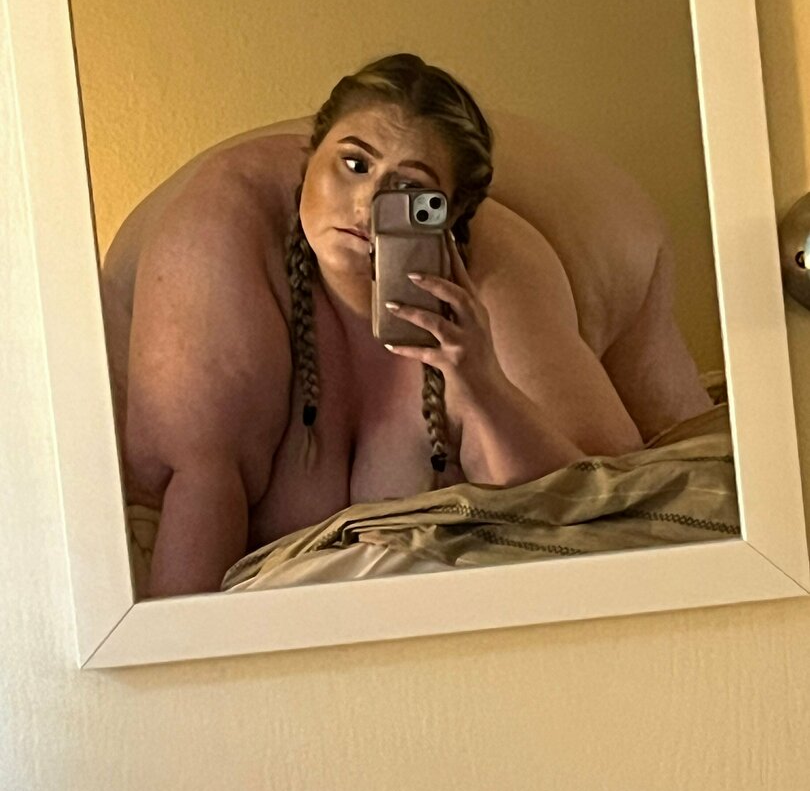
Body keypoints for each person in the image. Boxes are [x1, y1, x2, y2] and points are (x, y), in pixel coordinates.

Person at [101, 53, 711, 597]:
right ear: (309, 159)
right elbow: (193, 526)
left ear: (449, 217)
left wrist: (481, 380)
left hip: (591, 241)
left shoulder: (499, 288)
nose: (366, 206)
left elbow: (580, 516)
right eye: (352, 164)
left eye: (408, 190)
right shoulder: (221, 247)